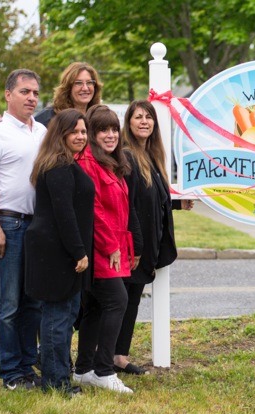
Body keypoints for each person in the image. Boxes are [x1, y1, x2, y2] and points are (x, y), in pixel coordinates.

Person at [0, 69, 46, 390]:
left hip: (37, 227)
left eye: (34, 92)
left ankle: (27, 365)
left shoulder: (42, 132)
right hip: (8, 223)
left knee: (33, 302)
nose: (31, 98)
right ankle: (11, 373)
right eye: (24, 92)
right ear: (8, 95)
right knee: (8, 305)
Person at [113, 100, 193, 375]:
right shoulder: (127, 156)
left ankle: (119, 356)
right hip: (131, 245)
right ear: (129, 123)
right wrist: (133, 244)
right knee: (120, 302)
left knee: (132, 300)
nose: (144, 121)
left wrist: (175, 204)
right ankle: (105, 357)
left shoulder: (151, 157)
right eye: (138, 117)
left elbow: (151, 198)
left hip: (146, 244)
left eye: (149, 117)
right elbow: (128, 203)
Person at [24, 109, 94, 397]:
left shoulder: (62, 163)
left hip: (57, 251)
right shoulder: (60, 167)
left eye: (83, 131)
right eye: (74, 131)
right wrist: (79, 252)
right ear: (61, 134)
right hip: (57, 254)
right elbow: (64, 215)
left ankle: (56, 372)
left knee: (61, 316)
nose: (81, 136)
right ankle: (56, 381)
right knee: (58, 318)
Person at [73, 104, 142, 393]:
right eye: (103, 129)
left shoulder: (108, 162)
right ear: (91, 134)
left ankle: (83, 369)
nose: (110, 134)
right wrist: (112, 246)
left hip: (112, 246)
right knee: (116, 302)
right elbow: (95, 210)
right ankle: (103, 370)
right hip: (102, 248)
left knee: (96, 307)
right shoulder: (88, 162)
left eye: (114, 128)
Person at [34, 62, 103, 126]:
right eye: (78, 83)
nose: (85, 88)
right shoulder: (49, 117)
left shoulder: (99, 117)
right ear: (68, 87)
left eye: (89, 82)